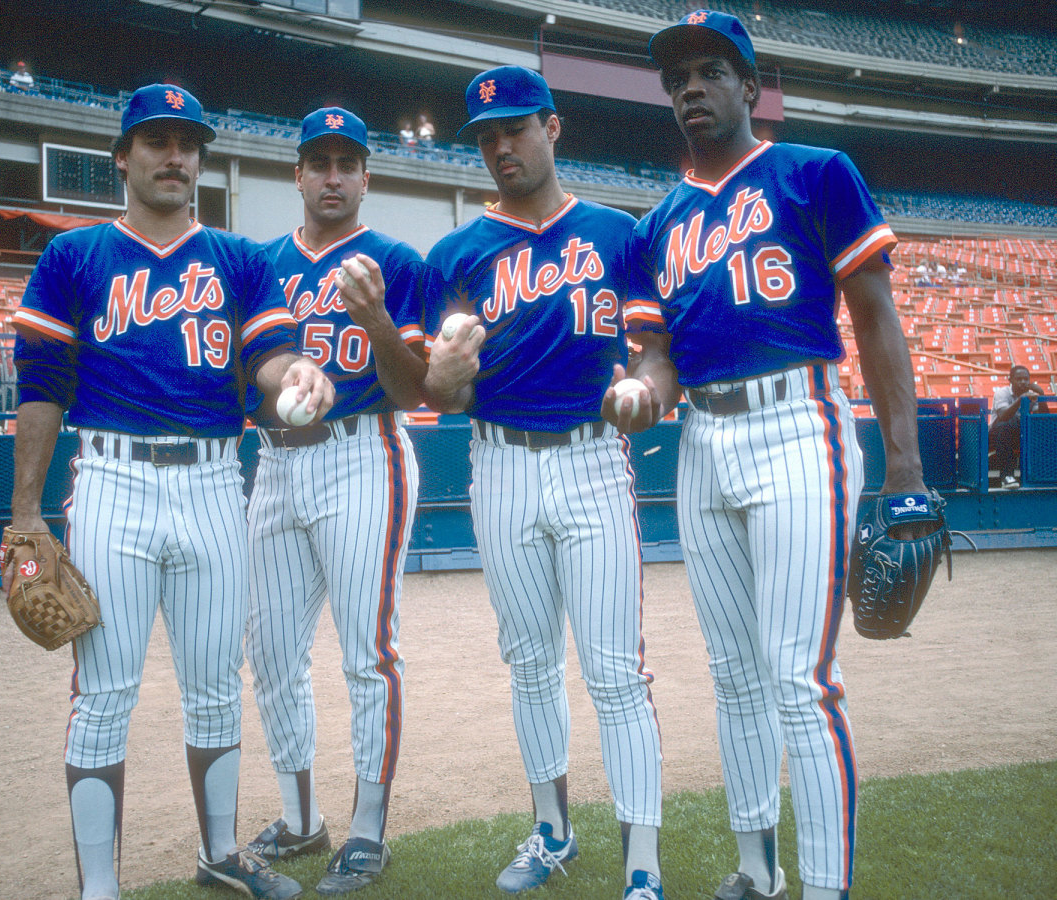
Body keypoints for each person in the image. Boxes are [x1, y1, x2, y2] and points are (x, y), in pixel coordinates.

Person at [3, 83, 334, 900]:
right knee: (103, 695)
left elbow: (264, 361)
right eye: (156, 141)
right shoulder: (75, 255)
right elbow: (41, 384)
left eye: (187, 143)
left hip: (217, 480)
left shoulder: (240, 260)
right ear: (123, 156)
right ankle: (100, 886)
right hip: (111, 479)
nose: (174, 156)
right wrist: (23, 513)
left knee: (217, 689)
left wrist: (292, 372)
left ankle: (220, 853)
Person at [627, 11, 926, 900]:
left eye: (711, 72)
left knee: (801, 676)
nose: (691, 89)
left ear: (752, 86)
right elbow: (658, 354)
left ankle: (826, 887)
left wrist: (905, 469)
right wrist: (643, 386)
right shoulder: (658, 226)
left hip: (800, 423)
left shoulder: (816, 173)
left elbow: (875, 315)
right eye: (678, 78)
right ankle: (757, 871)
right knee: (735, 676)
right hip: (702, 443)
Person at [422, 66, 667, 900]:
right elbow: (442, 395)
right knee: (528, 662)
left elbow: (651, 350)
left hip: (593, 458)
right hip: (497, 462)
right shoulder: (456, 252)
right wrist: (445, 372)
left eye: (515, 128)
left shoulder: (616, 232)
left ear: (552, 128)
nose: (500, 146)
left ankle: (643, 863)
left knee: (615, 672)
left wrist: (641, 383)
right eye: (486, 135)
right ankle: (553, 830)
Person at [242, 106, 428, 895]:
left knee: (366, 652)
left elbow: (416, 386)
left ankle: (367, 829)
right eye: (317, 162)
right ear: (298, 174)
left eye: (345, 162)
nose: (331, 176)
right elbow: (242, 380)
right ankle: (301, 817)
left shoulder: (394, 259)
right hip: (275, 467)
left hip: (364, 455)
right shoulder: (258, 264)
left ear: (365, 176)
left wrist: (378, 320)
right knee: (272, 651)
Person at [990, 364, 1049, 488]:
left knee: (1041, 429)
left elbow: (1043, 419)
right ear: (1010, 380)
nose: (1023, 382)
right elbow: (1003, 416)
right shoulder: (1002, 392)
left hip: (1020, 434)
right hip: (996, 435)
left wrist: (1042, 396)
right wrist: (1020, 400)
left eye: (1026, 379)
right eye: (1019, 379)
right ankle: (1007, 476)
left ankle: (1041, 474)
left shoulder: (1032, 395)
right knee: (1008, 423)